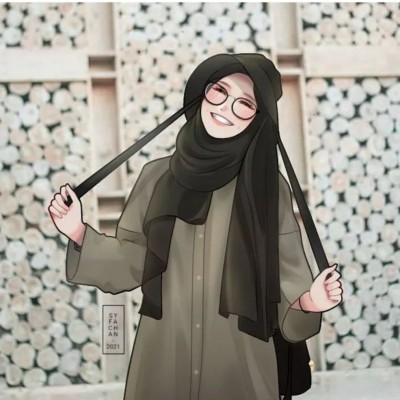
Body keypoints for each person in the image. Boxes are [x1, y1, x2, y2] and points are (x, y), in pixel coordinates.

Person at [48, 53, 343, 400]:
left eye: (245, 104)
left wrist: (310, 301)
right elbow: (133, 261)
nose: (225, 108)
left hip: (241, 366)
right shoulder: (156, 176)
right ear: (203, 93)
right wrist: (77, 231)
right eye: (220, 91)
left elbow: (287, 279)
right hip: (164, 358)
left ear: (258, 119)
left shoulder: (268, 188)